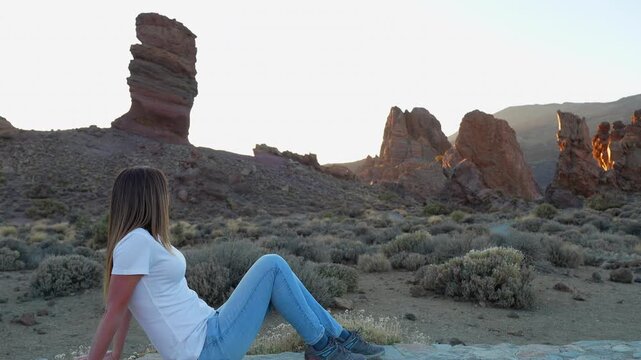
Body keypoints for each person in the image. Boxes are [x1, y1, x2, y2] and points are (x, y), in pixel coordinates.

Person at [79, 166, 385, 360]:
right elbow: (116, 309)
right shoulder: (135, 242)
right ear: (147, 198)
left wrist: (116, 354)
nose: (166, 200)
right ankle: (325, 347)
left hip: (211, 328)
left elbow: (128, 304)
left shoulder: (148, 239)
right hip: (204, 349)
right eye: (162, 194)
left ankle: (337, 339)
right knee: (272, 264)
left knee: (277, 268)